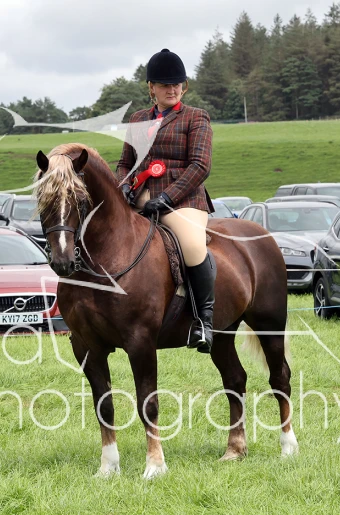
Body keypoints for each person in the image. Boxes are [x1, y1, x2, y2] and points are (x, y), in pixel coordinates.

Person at [116, 48, 216, 353]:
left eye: (177, 84)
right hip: (140, 198)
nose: (172, 89)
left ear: (183, 86)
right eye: (164, 85)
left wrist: (167, 197)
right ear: (151, 87)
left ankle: (204, 322)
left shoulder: (196, 117)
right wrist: (123, 185)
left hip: (183, 200)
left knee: (192, 246)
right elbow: (125, 162)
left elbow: (200, 165)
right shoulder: (137, 118)